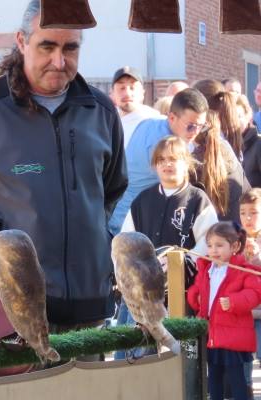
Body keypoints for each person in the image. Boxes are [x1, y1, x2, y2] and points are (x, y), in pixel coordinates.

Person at [0, 0, 128, 326]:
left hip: (87, 308)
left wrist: (89, 243)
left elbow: (111, 189)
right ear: (22, 42)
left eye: (70, 48)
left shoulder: (100, 111)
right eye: (47, 46)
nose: (59, 61)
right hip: (5, 311)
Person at [116, 136, 218, 359]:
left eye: (173, 158)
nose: (167, 164)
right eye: (161, 159)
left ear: (186, 162)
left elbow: (208, 244)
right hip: (144, 295)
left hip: (185, 293)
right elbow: (125, 243)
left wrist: (177, 262)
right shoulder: (142, 201)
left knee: (185, 354)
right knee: (138, 353)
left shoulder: (198, 200)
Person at [109, 88, 208, 234]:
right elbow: (179, 194)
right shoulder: (166, 148)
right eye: (191, 126)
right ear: (172, 118)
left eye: (202, 126)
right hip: (133, 225)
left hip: (119, 217)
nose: (196, 132)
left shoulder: (148, 123)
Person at [187, 221, 261, 400]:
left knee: (237, 380)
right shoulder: (206, 269)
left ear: (234, 246)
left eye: (219, 245)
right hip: (213, 334)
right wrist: (195, 298)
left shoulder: (242, 270)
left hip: (234, 335)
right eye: (210, 245)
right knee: (214, 377)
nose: (213, 250)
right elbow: (196, 290)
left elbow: (254, 293)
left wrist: (234, 302)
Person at [191, 110, 249, 223]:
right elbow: (247, 194)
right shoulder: (233, 160)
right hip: (236, 230)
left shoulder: (191, 165)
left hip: (207, 234)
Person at [239, 189, 261, 397]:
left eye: (253, 212)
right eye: (243, 212)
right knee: (245, 363)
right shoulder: (235, 241)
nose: (247, 218)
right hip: (243, 313)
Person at [109, 66, 159, 146]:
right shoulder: (106, 122)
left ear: (142, 93)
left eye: (132, 88)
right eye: (122, 88)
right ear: (112, 93)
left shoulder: (155, 122)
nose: (127, 94)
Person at [236, 94, 261, 187]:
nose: (234, 121)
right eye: (230, 117)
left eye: (239, 116)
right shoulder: (226, 146)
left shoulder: (258, 145)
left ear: (248, 116)